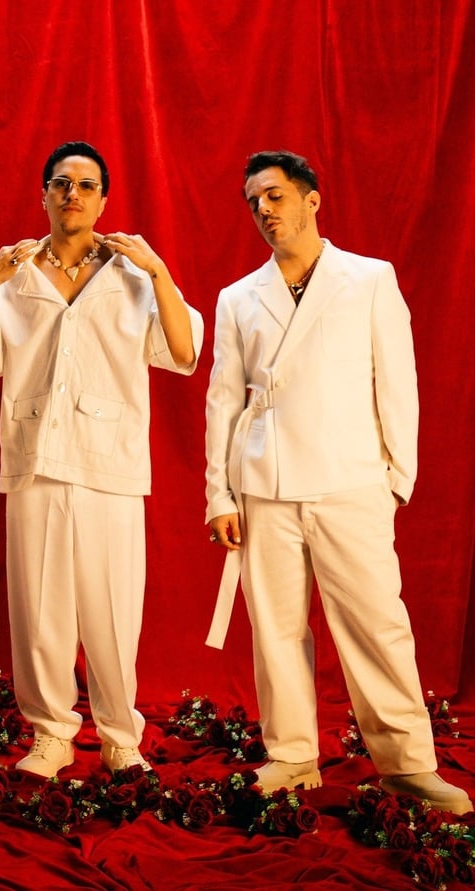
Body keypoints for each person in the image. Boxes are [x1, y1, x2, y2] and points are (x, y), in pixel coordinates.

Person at [204, 149, 471, 813]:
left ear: (311, 199)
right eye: (254, 201)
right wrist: (219, 495)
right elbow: (222, 401)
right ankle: (292, 755)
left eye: (274, 195)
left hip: (350, 479)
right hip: (265, 483)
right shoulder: (238, 297)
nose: (264, 210)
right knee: (275, 630)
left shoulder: (369, 279)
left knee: (378, 624)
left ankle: (408, 764)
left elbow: (398, 380)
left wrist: (395, 479)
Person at [0, 141, 203, 777]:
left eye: (86, 185)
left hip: (110, 461)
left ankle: (121, 735)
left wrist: (160, 273)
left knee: (114, 607)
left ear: (103, 200)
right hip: (35, 456)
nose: (73, 194)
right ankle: (51, 734)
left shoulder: (132, 275)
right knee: (39, 610)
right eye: (61, 183)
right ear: (43, 194)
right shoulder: (14, 274)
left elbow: (184, 353)